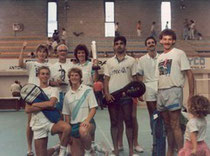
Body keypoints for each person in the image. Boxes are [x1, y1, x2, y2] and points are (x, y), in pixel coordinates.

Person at [156, 29, 194, 156]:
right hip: (161, 92)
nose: (167, 42)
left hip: (174, 90)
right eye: (164, 39)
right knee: (167, 125)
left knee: (175, 124)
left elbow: (189, 73)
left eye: (169, 39)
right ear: (161, 40)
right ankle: (170, 151)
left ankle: (181, 152)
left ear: (173, 41)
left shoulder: (179, 53)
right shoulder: (160, 57)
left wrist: (191, 94)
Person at [24, 66, 71, 156]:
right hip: (38, 125)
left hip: (51, 122)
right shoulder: (32, 92)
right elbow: (27, 109)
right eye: (42, 74)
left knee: (67, 128)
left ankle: (62, 150)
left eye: (47, 74)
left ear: (49, 76)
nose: (45, 76)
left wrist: (34, 104)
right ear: (38, 75)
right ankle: (55, 148)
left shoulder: (54, 89)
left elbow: (51, 104)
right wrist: (46, 105)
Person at [104, 36, 138, 156]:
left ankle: (131, 151)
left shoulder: (132, 61)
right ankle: (116, 150)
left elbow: (135, 80)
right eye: (117, 43)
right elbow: (106, 80)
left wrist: (133, 93)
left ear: (125, 45)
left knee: (129, 122)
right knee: (114, 123)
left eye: (121, 43)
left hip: (126, 97)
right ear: (114, 46)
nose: (119, 45)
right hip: (113, 97)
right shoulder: (109, 62)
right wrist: (107, 94)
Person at [19, 42, 50, 156]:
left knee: (47, 120)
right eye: (40, 51)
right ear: (37, 53)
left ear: (46, 54)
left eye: (44, 52)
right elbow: (20, 63)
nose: (42, 53)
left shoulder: (49, 66)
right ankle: (29, 148)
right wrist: (23, 48)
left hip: (44, 96)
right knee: (30, 123)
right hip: (32, 97)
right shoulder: (31, 64)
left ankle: (52, 147)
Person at [62, 67, 98, 156]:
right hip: (74, 126)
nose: (74, 77)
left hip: (88, 123)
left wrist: (87, 120)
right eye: (72, 75)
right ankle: (92, 147)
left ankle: (88, 152)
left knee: (83, 131)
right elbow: (67, 115)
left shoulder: (88, 90)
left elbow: (93, 108)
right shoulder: (67, 95)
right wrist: (68, 132)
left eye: (76, 75)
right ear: (69, 78)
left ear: (80, 77)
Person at [137, 36, 159, 134]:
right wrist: (140, 92)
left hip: (161, 87)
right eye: (148, 43)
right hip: (149, 88)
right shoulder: (141, 60)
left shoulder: (162, 58)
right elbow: (139, 76)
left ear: (156, 44)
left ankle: (163, 136)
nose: (151, 44)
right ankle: (155, 136)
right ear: (146, 47)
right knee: (153, 114)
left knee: (163, 114)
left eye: (152, 42)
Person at [50, 44, 73, 112]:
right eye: (60, 51)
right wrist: (56, 83)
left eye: (64, 51)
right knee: (59, 118)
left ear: (67, 53)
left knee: (70, 116)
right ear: (57, 53)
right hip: (57, 95)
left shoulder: (72, 66)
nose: (62, 52)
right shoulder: (52, 67)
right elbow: (49, 82)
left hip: (70, 94)